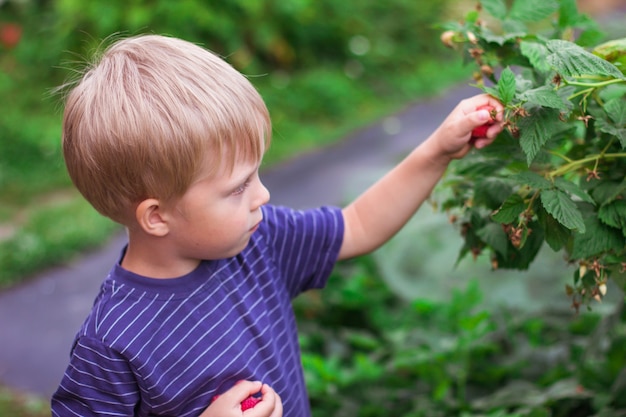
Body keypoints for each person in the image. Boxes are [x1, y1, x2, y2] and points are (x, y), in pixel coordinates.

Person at [50, 34, 503, 417]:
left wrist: (437, 150)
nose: (262, 196)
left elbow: (358, 225)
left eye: (257, 175)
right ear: (156, 216)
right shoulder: (113, 344)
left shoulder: (257, 243)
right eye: (237, 187)